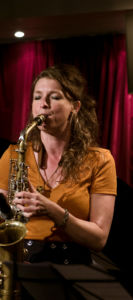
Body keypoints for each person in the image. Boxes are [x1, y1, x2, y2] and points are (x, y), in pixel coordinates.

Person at [0, 64, 117, 265]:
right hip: (20, 262)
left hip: (72, 265)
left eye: (54, 97)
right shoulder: (13, 154)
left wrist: (52, 210)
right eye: (37, 97)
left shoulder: (100, 160)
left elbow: (99, 239)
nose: (43, 104)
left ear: (75, 107)